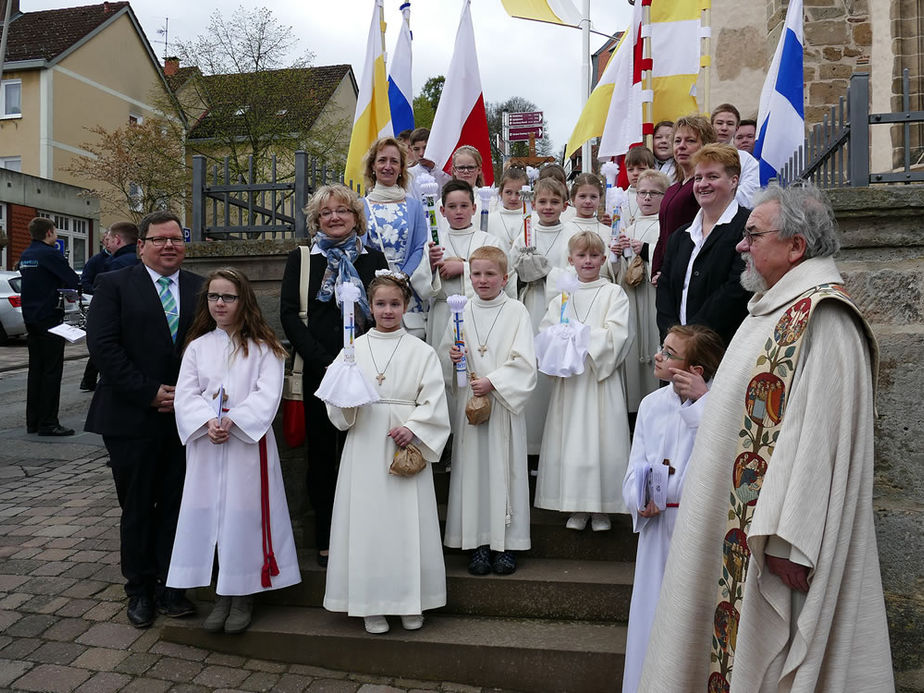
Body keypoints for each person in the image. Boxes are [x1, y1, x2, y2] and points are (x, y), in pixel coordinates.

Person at [640, 184, 894, 691]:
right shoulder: (775, 307)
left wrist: (787, 540)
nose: (740, 244)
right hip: (736, 523)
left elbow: (817, 435)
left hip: (771, 546)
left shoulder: (824, 317)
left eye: (753, 234)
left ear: (796, 246)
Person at [85, 210, 203, 628]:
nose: (169, 245)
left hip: (184, 419)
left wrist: (191, 397)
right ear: (142, 246)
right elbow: (103, 348)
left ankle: (172, 586)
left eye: (176, 238)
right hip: (130, 417)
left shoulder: (200, 288)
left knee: (176, 504)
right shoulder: (114, 284)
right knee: (137, 505)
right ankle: (139, 588)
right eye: (159, 239)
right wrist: (148, 392)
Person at [168, 268, 300, 634]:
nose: (220, 304)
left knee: (245, 516)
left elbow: (267, 394)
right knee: (210, 515)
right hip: (207, 445)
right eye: (213, 297)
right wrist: (207, 421)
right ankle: (220, 593)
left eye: (228, 297)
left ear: (244, 301)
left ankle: (243, 594)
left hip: (246, 445)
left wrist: (234, 421)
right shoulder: (198, 347)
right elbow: (187, 393)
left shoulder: (264, 348)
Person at [324, 272, 451, 635]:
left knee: (407, 525)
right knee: (368, 524)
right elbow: (336, 406)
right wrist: (347, 397)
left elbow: (434, 400)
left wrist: (414, 426)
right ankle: (370, 603)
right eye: (380, 304)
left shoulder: (421, 351)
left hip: (404, 443)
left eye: (395, 303)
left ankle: (411, 601)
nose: (388, 310)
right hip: (365, 441)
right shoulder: (353, 350)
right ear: (370, 306)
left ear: (407, 305)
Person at [279, 184, 389, 568]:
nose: (335, 217)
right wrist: (324, 362)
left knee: (364, 451)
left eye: (343, 210)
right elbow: (290, 314)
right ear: (316, 220)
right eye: (327, 213)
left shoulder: (373, 259)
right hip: (319, 372)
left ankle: (364, 533)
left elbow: (384, 312)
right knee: (323, 456)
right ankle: (327, 536)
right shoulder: (304, 259)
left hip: (366, 370)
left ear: (356, 217)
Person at [620, 324, 724, 693]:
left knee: (687, 620)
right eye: (662, 348)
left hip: (693, 529)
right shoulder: (651, 404)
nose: (659, 357)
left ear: (696, 370)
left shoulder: (721, 405)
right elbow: (635, 465)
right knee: (651, 615)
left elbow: (722, 456)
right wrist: (638, 498)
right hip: (656, 526)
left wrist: (702, 402)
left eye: (669, 353)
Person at [441, 245, 537, 576]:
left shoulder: (516, 312)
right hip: (471, 408)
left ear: (504, 277)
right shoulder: (460, 310)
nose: (483, 280)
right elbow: (445, 353)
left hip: (502, 407)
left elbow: (525, 362)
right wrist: (453, 359)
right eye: (476, 274)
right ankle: (478, 543)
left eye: (490, 274)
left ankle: (506, 544)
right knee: (473, 472)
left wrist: (493, 382)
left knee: (504, 470)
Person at [534, 232, 632, 531]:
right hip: (572, 378)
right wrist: (560, 339)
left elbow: (619, 334)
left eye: (593, 256)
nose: (588, 261)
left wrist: (579, 336)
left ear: (603, 259)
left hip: (599, 378)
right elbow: (547, 331)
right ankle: (575, 504)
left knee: (602, 440)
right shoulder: (564, 295)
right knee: (573, 441)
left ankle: (602, 508)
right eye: (581, 256)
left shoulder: (614, 293)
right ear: (570, 260)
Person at [656, 144, 752, 345]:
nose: (702, 184)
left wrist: (690, 339)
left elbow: (736, 291)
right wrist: (672, 339)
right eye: (698, 178)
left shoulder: (748, 229)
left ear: (734, 181)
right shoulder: (680, 236)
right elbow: (665, 291)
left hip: (719, 350)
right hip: (676, 353)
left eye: (712, 177)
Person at [511, 177, 579, 454]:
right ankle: (531, 445)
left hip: (561, 310)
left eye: (554, 202)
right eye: (542, 202)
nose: (548, 207)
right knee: (532, 367)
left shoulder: (571, 233)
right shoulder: (526, 231)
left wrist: (548, 274)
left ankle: (556, 446)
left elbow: (577, 270)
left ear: (565, 205)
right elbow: (512, 266)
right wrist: (525, 270)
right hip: (531, 304)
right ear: (534, 204)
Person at [361, 136, 439, 338]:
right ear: (372, 166)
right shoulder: (360, 207)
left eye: (394, 161)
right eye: (382, 160)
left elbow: (419, 246)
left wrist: (401, 278)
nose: (388, 166)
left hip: (408, 291)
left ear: (402, 168)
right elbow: (360, 250)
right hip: (375, 292)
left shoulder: (414, 206)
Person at [425, 180, 513, 348]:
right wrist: (430, 265)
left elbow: (506, 279)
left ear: (474, 208)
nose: (458, 212)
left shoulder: (489, 241)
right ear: (442, 211)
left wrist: (464, 268)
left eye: (464, 206)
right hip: (443, 314)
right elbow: (421, 286)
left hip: (482, 313)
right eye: (452, 206)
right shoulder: (434, 243)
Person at [613, 169, 672, 412]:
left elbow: (669, 258)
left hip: (652, 297)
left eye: (654, 193)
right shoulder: (629, 226)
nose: (647, 198)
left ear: (664, 196)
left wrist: (646, 250)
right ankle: (632, 409)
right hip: (630, 297)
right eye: (642, 193)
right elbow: (615, 271)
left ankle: (654, 405)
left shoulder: (665, 226)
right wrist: (616, 256)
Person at [20, 217, 80, 435]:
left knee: (36, 370)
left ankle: (33, 421)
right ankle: (49, 423)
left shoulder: (27, 254)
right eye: (54, 231)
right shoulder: (50, 254)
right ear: (48, 233)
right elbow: (72, 279)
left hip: (30, 318)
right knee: (52, 371)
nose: (55, 235)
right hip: (49, 318)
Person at [650, 115, 716, 277]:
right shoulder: (672, 189)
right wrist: (658, 270)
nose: (681, 146)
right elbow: (663, 235)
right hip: (668, 272)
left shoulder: (705, 188)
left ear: (705, 145)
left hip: (689, 271)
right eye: (677, 141)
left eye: (690, 141)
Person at [79, 229, 112, 392]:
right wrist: (96, 291)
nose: (108, 242)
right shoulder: (96, 261)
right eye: (105, 239)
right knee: (100, 342)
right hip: (98, 302)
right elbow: (84, 280)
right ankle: (89, 380)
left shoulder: (120, 259)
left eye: (110, 239)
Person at [710, 103, 760, 207]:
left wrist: (715, 200)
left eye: (730, 124)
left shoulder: (747, 160)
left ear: (736, 129)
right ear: (711, 126)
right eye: (719, 123)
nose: (724, 128)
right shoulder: (699, 155)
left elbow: (749, 194)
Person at [486, 166, 529, 251]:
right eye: (508, 192)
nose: (513, 198)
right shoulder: (490, 220)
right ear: (500, 193)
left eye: (518, 193)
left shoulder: (532, 218)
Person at [620, 146, 656, 228]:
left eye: (641, 169)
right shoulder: (620, 197)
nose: (635, 173)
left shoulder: (658, 196)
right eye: (630, 170)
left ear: (652, 169)